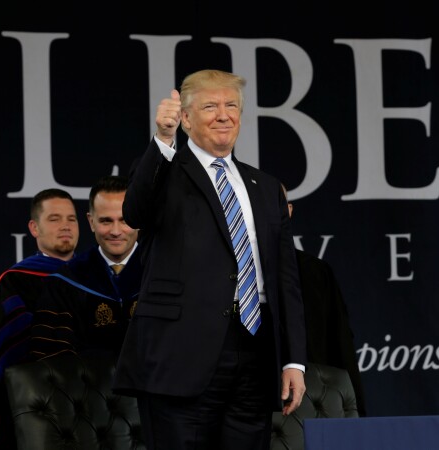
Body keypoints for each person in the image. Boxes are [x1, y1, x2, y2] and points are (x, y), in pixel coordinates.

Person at [113, 69, 307, 450]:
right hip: (179, 356)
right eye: (210, 106)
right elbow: (135, 211)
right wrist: (163, 140)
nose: (224, 114)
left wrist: (294, 361)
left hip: (254, 352)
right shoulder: (164, 172)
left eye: (231, 105)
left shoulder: (266, 187)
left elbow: (287, 280)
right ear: (185, 118)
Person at [0, 188, 79, 449]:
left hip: (97, 405)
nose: (65, 226)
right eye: (54, 219)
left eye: (71, 219)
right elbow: (12, 358)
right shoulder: (15, 281)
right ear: (34, 227)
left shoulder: (96, 278)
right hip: (42, 408)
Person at [30, 175, 141, 361]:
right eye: (106, 221)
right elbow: (52, 360)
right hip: (88, 388)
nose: (115, 231)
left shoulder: (164, 275)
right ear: (91, 222)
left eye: (124, 220)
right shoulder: (65, 283)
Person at [283, 193, 368, 416]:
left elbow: (340, 343)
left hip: (310, 406)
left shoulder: (316, 272)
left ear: (289, 210)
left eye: (275, 204)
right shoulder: (223, 272)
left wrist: (356, 412)